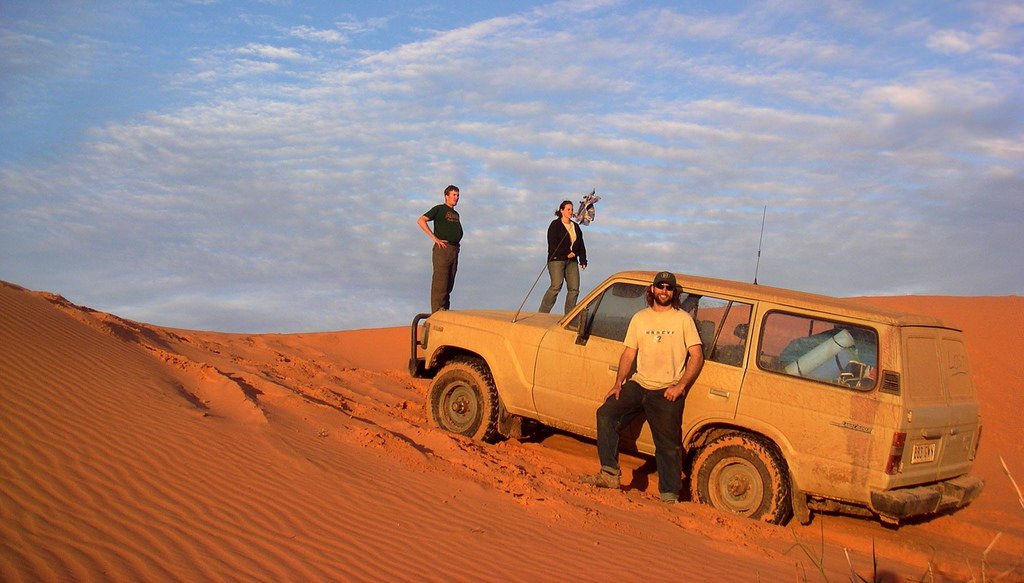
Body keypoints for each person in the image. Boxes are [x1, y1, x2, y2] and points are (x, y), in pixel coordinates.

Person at [579, 271, 705, 504]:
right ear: (652, 289)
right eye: (660, 286)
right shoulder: (640, 318)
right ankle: (609, 474)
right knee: (605, 414)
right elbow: (629, 352)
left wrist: (681, 386)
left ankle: (669, 496)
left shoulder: (683, 319)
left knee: (668, 446)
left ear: (673, 292)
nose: (664, 291)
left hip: (666, 390)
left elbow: (696, 355)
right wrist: (618, 383)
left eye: (668, 287)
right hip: (639, 384)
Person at [417, 185, 462, 313]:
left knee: (449, 282)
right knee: (440, 281)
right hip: (442, 249)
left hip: (454, 249)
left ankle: (445, 311)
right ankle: (437, 312)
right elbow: (421, 220)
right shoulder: (439, 209)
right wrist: (434, 238)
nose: (456, 198)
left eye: (458, 195)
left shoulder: (456, 214)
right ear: (446, 196)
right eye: (454, 195)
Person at [538, 200, 588, 314]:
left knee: (574, 288)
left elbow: (581, 244)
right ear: (562, 211)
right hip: (557, 260)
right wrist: (566, 253)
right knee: (556, 286)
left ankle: (569, 316)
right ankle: (542, 313)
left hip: (572, 261)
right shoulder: (555, 225)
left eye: (571, 209)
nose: (571, 211)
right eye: (568, 209)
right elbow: (552, 243)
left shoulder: (575, 226)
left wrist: (583, 260)